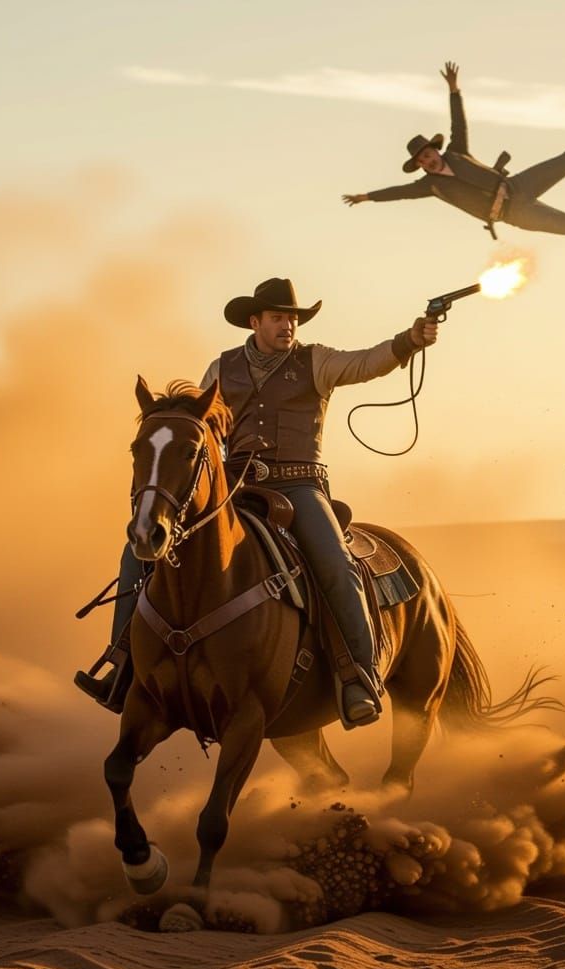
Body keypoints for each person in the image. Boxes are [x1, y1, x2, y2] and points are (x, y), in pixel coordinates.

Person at [76, 276, 437, 727]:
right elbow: (199, 428)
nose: (288, 325)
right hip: (234, 488)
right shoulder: (219, 369)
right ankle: (123, 667)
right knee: (138, 553)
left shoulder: (317, 361)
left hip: (300, 487)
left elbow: (368, 363)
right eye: (278, 317)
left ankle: (358, 676)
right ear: (255, 321)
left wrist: (410, 340)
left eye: (292, 318)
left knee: (337, 565)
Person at [343, 62, 565, 258]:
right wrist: (367, 197)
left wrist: (453, 90)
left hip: (517, 184)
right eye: (423, 160)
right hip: (513, 213)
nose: (428, 160)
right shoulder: (430, 186)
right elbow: (398, 193)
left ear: (435, 151)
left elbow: (458, 124)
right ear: (421, 165)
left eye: (428, 153)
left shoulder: (456, 151)